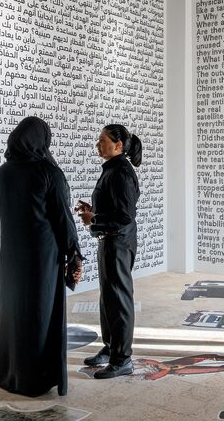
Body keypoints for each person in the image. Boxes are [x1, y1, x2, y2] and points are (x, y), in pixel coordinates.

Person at [0, 117, 83, 397]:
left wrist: (2, 253)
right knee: (41, 316)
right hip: (42, 259)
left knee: (13, 315)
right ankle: (36, 378)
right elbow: (63, 219)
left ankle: (8, 372)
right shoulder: (48, 172)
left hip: (10, 260)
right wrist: (74, 254)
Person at [77, 124, 142, 379]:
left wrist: (94, 220)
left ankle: (122, 359)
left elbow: (125, 216)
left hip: (119, 243)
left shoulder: (122, 173)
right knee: (108, 298)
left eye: (102, 140)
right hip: (110, 241)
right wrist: (93, 212)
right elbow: (113, 208)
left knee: (119, 300)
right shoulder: (112, 170)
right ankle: (111, 348)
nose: (97, 144)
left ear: (118, 146)